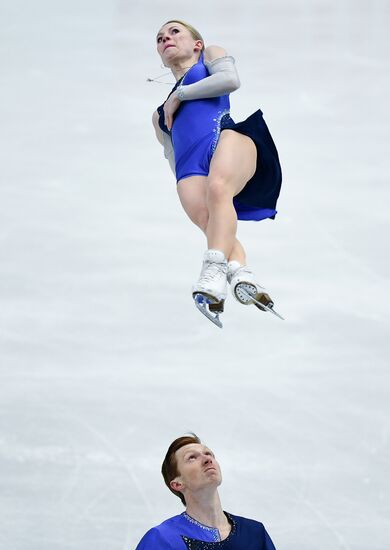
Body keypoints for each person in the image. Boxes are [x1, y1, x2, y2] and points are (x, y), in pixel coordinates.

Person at [152, 20, 282, 322]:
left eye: (174, 32)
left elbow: (230, 80)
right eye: (160, 38)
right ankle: (240, 273)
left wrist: (179, 96)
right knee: (208, 217)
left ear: (196, 44)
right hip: (189, 165)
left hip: (229, 140)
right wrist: (187, 187)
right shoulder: (159, 116)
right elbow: (173, 153)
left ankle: (211, 272)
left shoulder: (209, 56)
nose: (165, 38)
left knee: (218, 188)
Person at [135, 434, 277, 549]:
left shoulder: (253, 532)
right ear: (177, 484)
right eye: (192, 457)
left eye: (208, 453)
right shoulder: (163, 539)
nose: (207, 459)